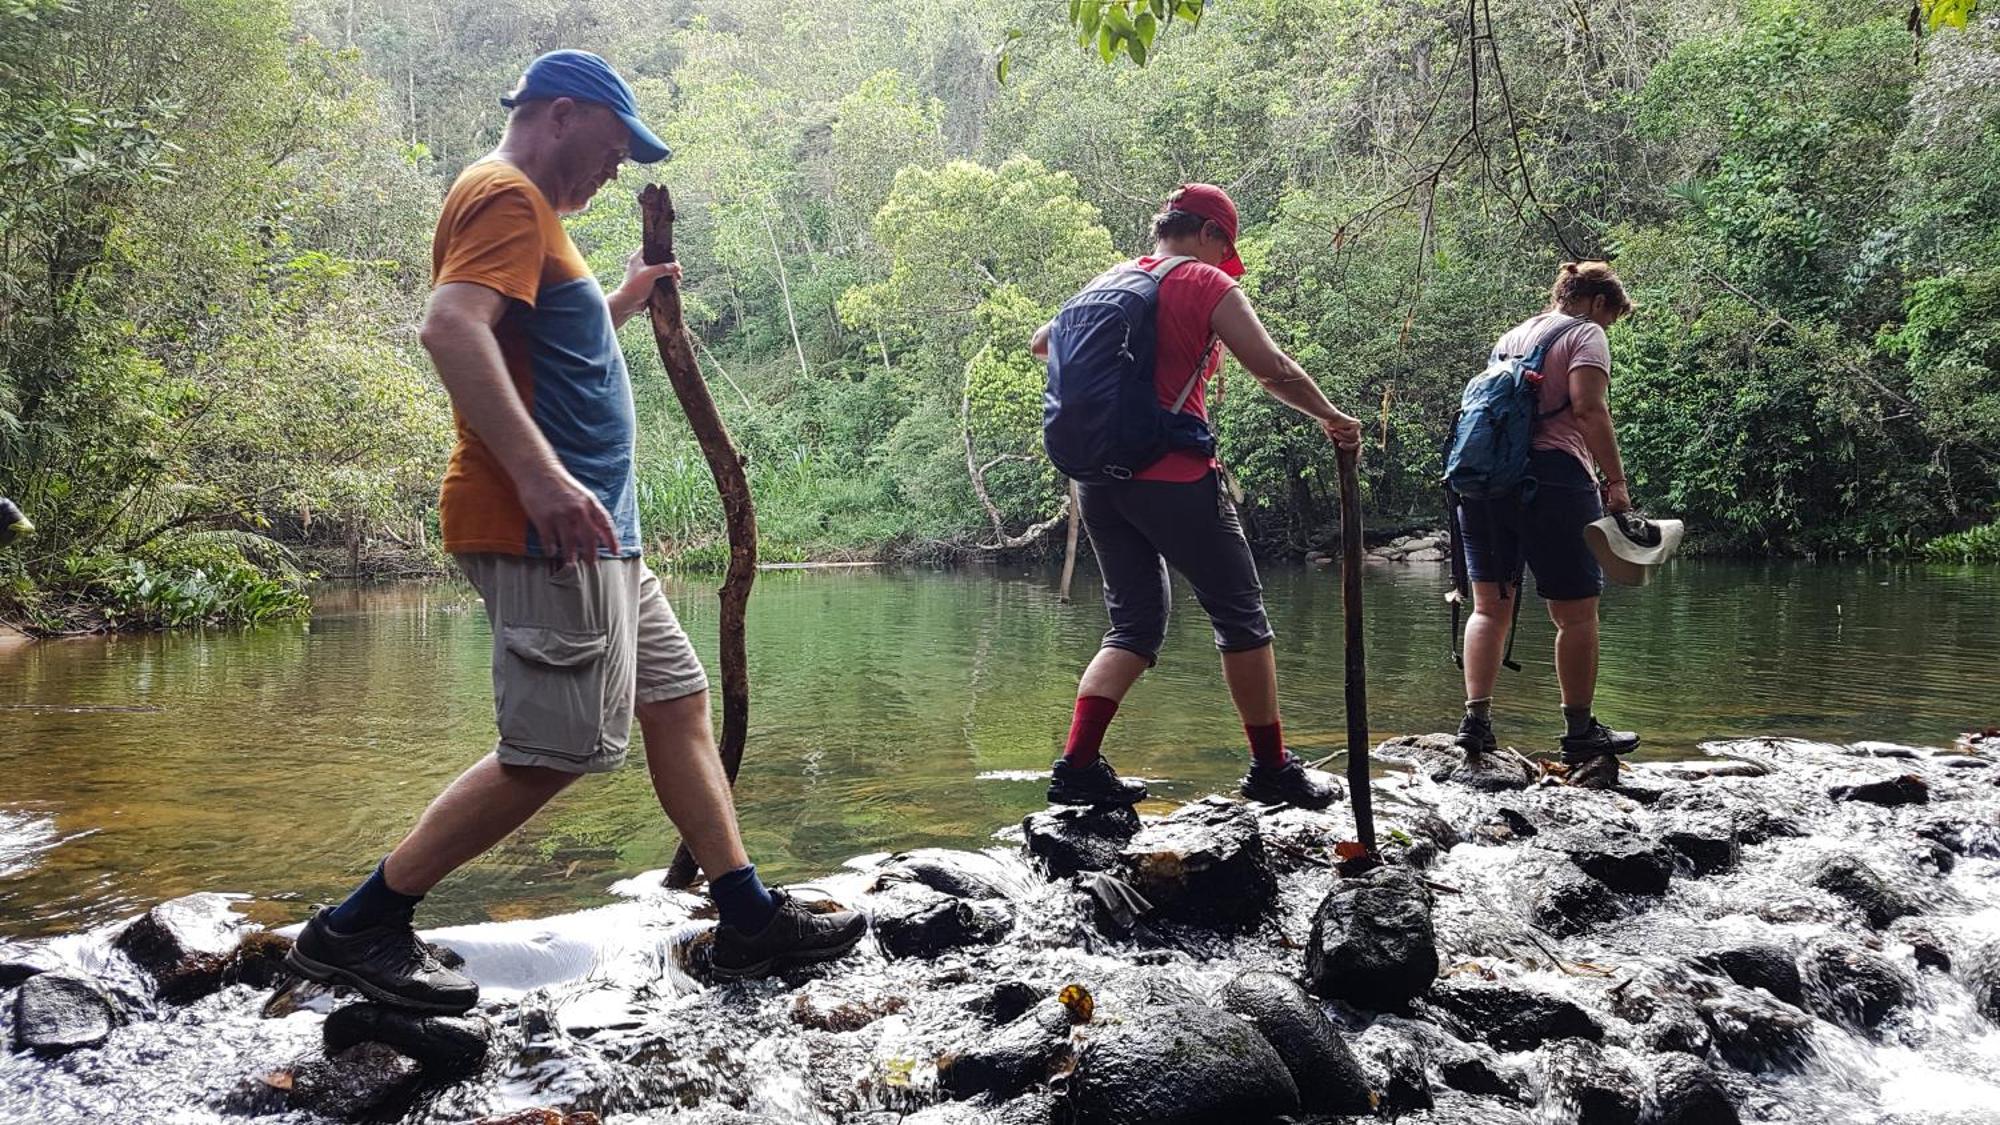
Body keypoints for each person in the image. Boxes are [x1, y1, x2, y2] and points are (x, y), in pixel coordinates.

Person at [284, 50, 865, 1013]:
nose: (619, 166)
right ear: (562, 115)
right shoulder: (506, 195)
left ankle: (748, 917)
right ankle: (357, 925)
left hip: (599, 535)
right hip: (541, 527)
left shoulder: (533, 216)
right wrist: (542, 476)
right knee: (553, 750)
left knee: (677, 702)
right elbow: (451, 328)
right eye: (614, 143)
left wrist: (624, 299)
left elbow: (544, 333)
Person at [1031, 184, 1364, 810]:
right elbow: (1273, 369)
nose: (1224, 263)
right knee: (1241, 617)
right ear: (1210, 233)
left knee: (1131, 625)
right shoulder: (1206, 285)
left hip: (1097, 481)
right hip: (1177, 476)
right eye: (1225, 249)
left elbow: (1042, 343)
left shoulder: (1108, 282)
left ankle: (1076, 769)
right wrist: (1332, 418)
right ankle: (1271, 770)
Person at [1454, 261, 1638, 787]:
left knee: (1490, 607)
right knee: (1575, 613)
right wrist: (1616, 484)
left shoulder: (1511, 337)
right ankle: (1580, 732)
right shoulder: (1586, 335)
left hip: (1486, 482)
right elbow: (1588, 409)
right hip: (1554, 479)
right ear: (1599, 303)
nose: (1608, 330)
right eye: (1612, 318)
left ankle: (1476, 723)